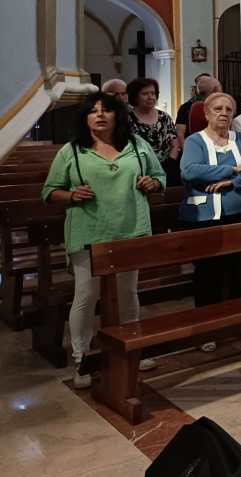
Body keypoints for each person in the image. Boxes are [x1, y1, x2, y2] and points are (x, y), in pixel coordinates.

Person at [41, 92, 166, 387]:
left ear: (117, 115)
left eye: (106, 110)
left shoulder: (137, 145)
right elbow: (49, 191)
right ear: (84, 118)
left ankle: (133, 349)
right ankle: (82, 359)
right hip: (89, 231)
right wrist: (71, 195)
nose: (99, 115)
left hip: (130, 229)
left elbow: (160, 177)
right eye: (93, 111)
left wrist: (152, 183)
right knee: (86, 295)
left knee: (128, 293)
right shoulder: (72, 151)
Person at [180, 91, 241, 352]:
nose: (224, 113)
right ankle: (208, 330)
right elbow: (190, 170)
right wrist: (232, 169)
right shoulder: (195, 141)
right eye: (217, 109)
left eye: (228, 109)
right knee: (209, 276)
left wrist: (230, 182)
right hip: (205, 219)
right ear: (206, 113)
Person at [127, 77, 180, 185]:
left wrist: (169, 164)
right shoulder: (127, 118)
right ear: (135, 96)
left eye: (153, 93)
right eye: (145, 94)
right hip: (138, 169)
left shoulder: (164, 117)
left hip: (167, 167)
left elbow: (175, 145)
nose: (150, 97)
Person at [175, 72, 212, 151]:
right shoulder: (185, 108)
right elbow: (180, 133)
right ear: (196, 88)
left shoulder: (217, 105)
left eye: (207, 83)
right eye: (201, 83)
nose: (203, 86)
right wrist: (187, 151)